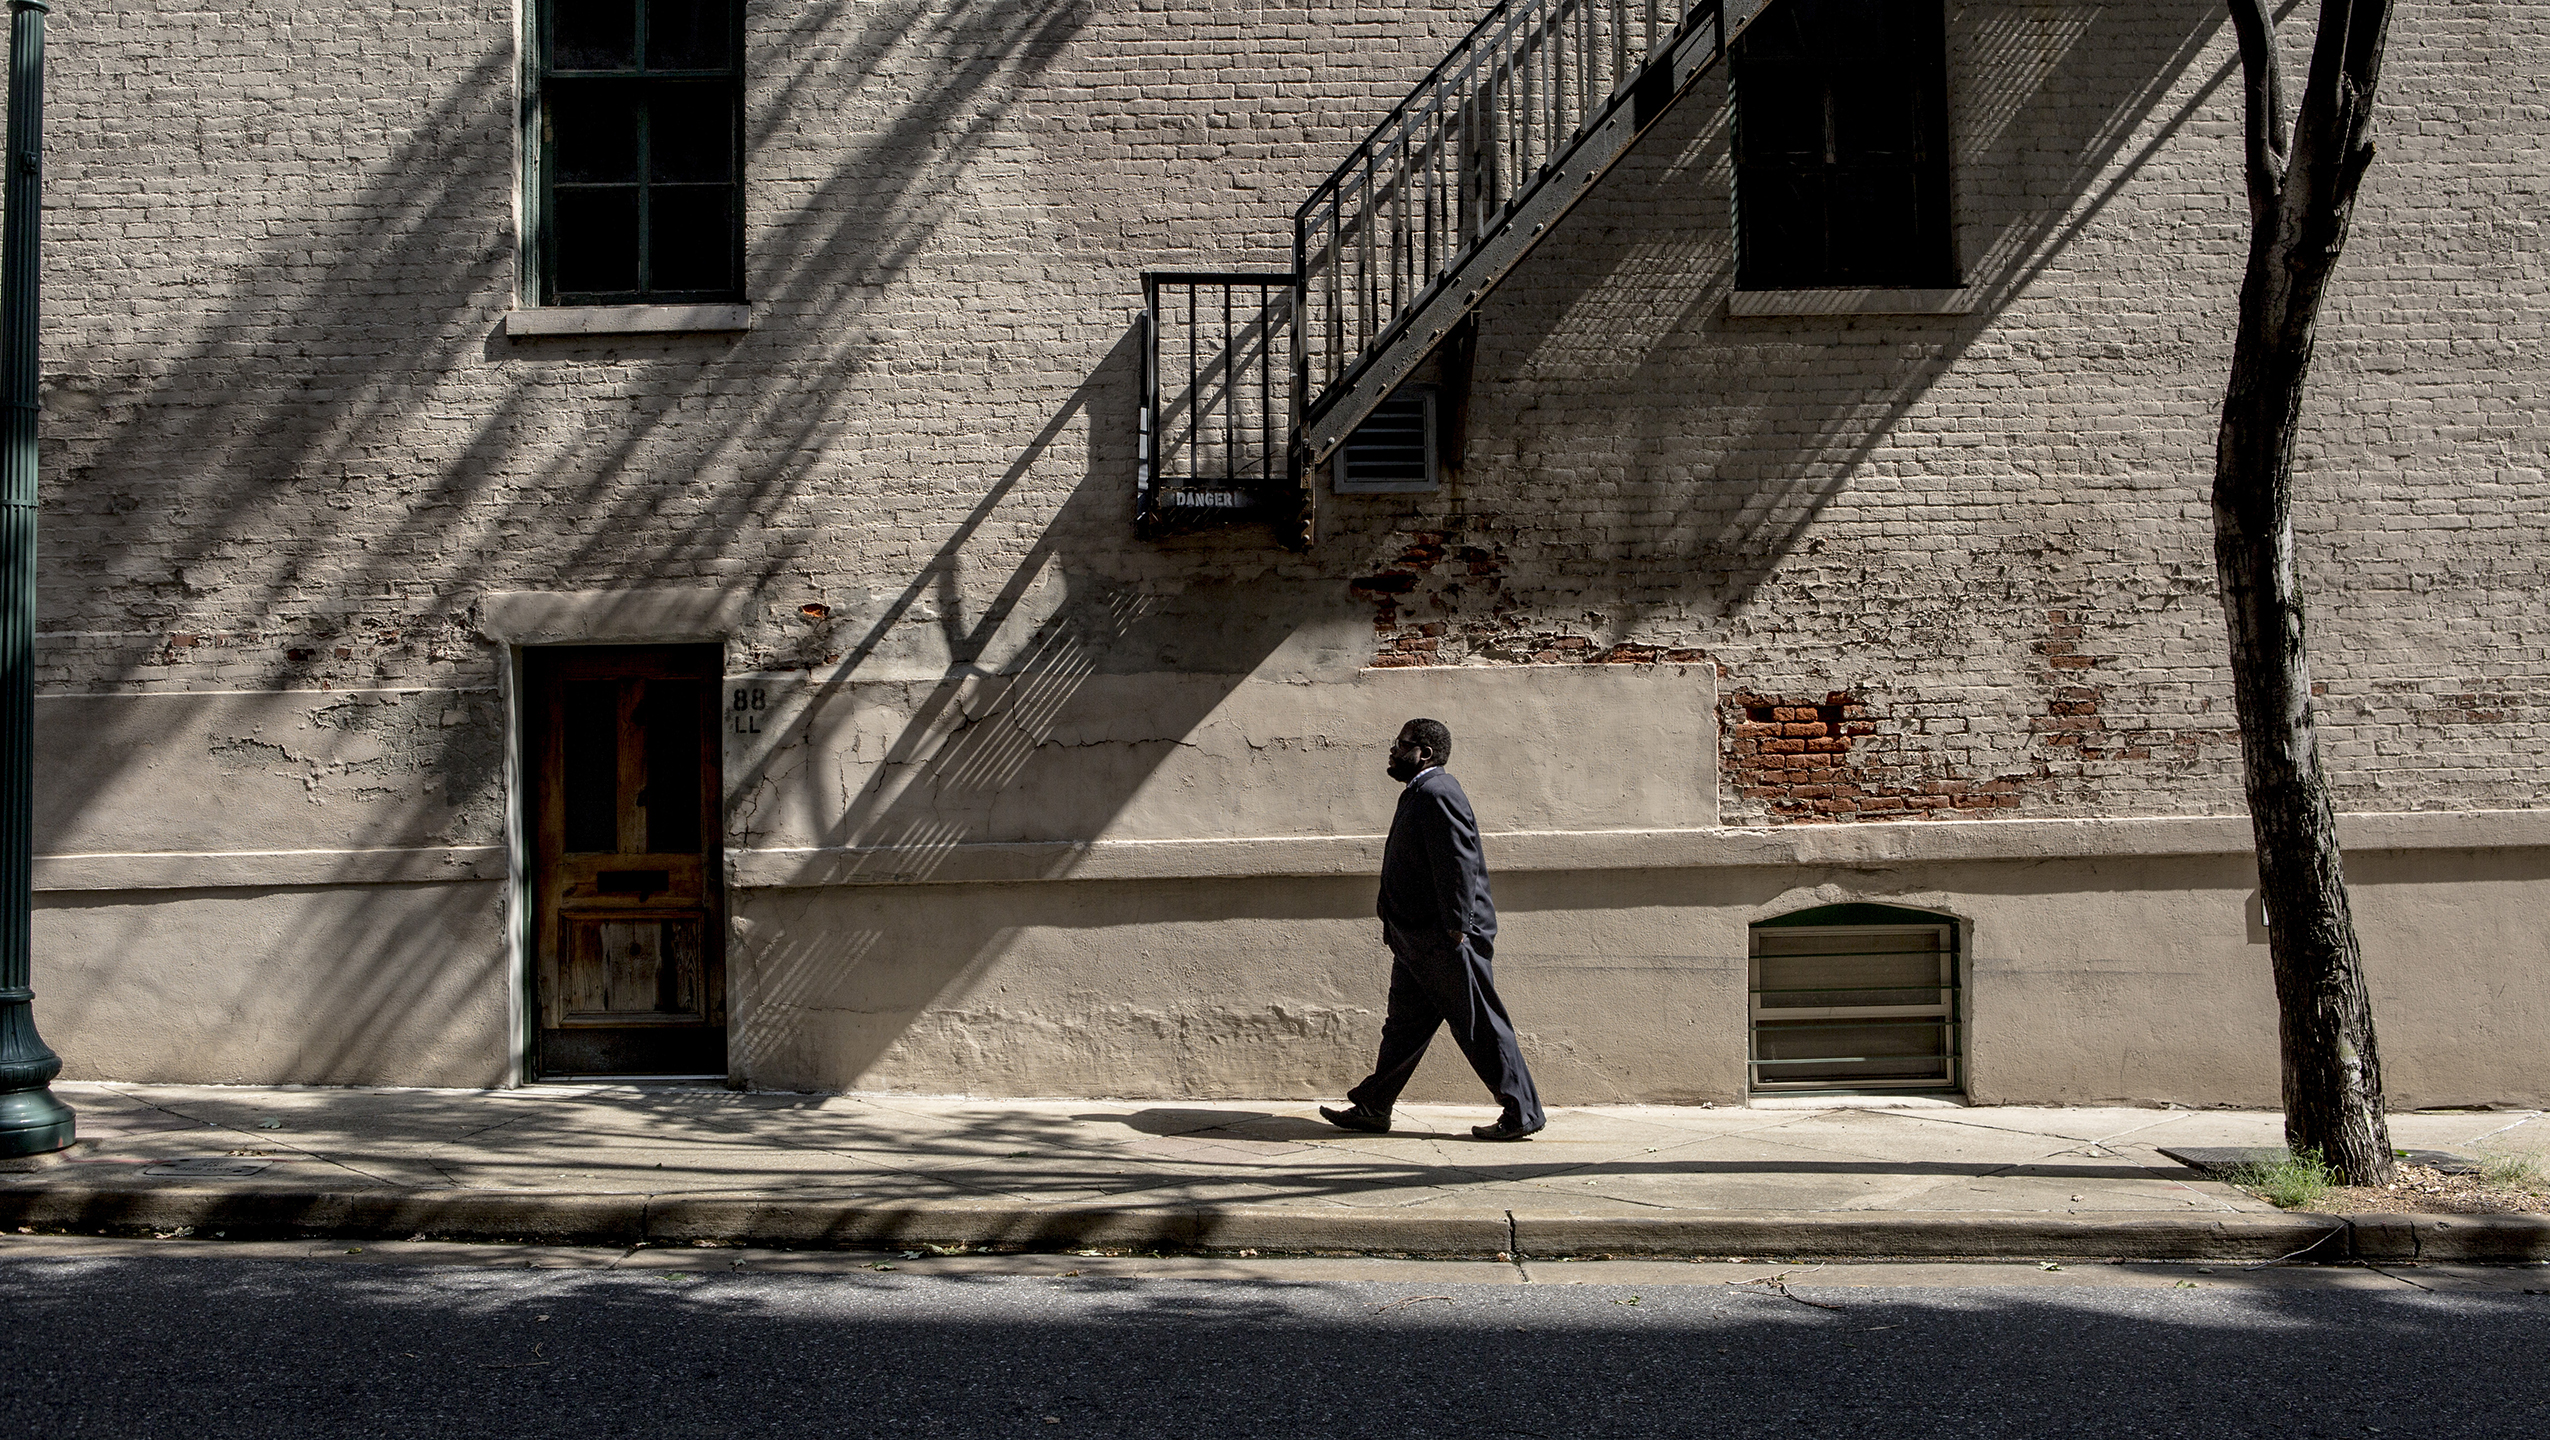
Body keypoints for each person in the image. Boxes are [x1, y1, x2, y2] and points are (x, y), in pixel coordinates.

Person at [1321, 718, 1546, 1141]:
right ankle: (1373, 1107)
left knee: (1478, 1023)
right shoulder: (1419, 793)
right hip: (1416, 938)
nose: (1391, 749)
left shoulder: (1439, 792)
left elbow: (1458, 862)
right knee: (1404, 1026)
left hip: (1445, 938)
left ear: (1423, 752)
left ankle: (1522, 1112)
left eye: (1400, 743)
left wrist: (1458, 927)